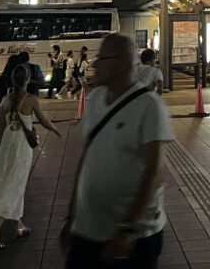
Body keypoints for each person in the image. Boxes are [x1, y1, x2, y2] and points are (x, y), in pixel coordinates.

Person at [62, 33, 174, 269]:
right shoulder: (94, 100)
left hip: (134, 237)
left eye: (102, 58)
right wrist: (71, 214)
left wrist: (127, 228)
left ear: (121, 63)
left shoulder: (149, 106)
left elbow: (154, 172)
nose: (95, 64)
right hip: (87, 229)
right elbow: (87, 158)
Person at [0, 63, 61, 248]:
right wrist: (56, 130)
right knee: (16, 184)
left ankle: (19, 225)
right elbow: (44, 121)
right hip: (21, 145)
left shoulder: (5, 100)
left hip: (7, 143)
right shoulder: (31, 99)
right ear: (28, 79)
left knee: (11, 181)